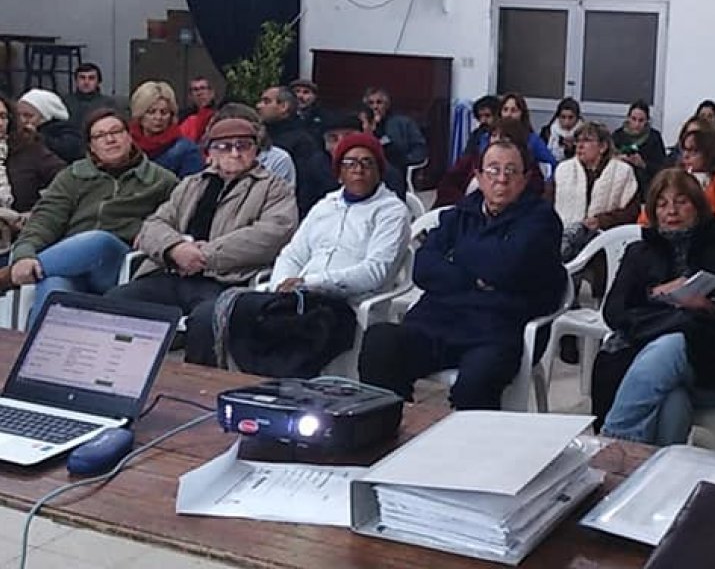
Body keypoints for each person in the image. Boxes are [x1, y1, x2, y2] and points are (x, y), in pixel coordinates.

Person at [359, 136, 564, 410]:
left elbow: (507, 266)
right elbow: (423, 267)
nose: (501, 179)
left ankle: (471, 438)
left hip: (498, 329)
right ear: (478, 176)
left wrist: (457, 260)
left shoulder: (541, 219)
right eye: (493, 170)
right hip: (439, 321)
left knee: (476, 383)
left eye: (511, 171)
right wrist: (474, 279)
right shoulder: (460, 214)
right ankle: (390, 424)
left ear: (525, 179)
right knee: (381, 342)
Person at [593, 168, 715, 445]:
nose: (671, 212)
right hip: (646, 353)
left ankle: (614, 443)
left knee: (672, 343)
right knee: (672, 401)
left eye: (681, 202)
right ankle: (657, 468)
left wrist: (711, 306)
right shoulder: (639, 252)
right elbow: (613, 311)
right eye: (662, 204)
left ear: (698, 206)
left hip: (714, 357)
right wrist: (656, 294)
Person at [211, 133, 410, 375]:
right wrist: (282, 285)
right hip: (298, 297)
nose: (358, 170)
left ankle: (275, 383)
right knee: (233, 311)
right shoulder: (325, 206)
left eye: (367, 163)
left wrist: (310, 283)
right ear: (339, 173)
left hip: (344, 301)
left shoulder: (391, 212)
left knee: (303, 327)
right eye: (349, 163)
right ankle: (240, 379)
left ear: (379, 171)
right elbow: (293, 254)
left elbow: (375, 272)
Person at [105, 116, 298, 365]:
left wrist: (204, 255)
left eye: (243, 146)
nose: (234, 153)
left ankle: (196, 384)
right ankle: (119, 374)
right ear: (210, 153)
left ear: (255, 151)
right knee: (114, 302)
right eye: (224, 147)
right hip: (171, 273)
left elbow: (271, 234)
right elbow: (153, 224)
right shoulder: (191, 184)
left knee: (208, 320)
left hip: (226, 280)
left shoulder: (274, 188)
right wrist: (174, 249)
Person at [0, 110, 177, 320]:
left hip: (120, 264)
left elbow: (177, 221)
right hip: (71, 264)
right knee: (53, 288)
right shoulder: (73, 176)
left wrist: (149, 233)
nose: (110, 140)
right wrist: (25, 254)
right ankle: (37, 341)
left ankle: (8, 276)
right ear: (91, 146)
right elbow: (44, 220)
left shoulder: (160, 180)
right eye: (100, 136)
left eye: (116, 132)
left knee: (99, 241)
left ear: (129, 136)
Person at [553, 122, 639, 260]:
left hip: (606, 243)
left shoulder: (623, 172)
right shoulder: (563, 170)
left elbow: (631, 213)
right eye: (577, 141)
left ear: (603, 146)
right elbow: (548, 205)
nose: (580, 146)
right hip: (564, 240)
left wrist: (602, 221)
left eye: (586, 140)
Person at [297, 112, 407, 215]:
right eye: (333, 139)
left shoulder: (384, 171)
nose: (341, 144)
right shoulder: (314, 166)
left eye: (348, 137)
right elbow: (306, 208)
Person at [646, 123, 715, 231]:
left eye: (694, 151)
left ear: (709, 153)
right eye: (684, 150)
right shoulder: (672, 179)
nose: (686, 156)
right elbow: (645, 218)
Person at [0, 93, 64, 214]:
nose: (0, 123)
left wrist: (41, 214)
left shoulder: (28, 148)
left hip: (22, 222)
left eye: (3, 117)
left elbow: (65, 177)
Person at [128, 81, 203, 178]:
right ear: (139, 115)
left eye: (164, 112)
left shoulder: (187, 150)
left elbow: (192, 185)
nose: (158, 117)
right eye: (151, 112)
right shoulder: (127, 146)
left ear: (171, 115)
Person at [362, 86, 428, 176]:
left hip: (395, 168)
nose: (375, 107)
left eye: (379, 102)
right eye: (371, 103)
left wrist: (405, 161)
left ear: (386, 105)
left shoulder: (403, 123)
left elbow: (420, 149)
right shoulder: (362, 123)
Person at [611, 100, 667, 201]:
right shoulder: (618, 135)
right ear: (628, 118)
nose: (637, 124)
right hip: (620, 182)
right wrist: (618, 159)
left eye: (641, 120)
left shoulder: (654, 137)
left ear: (647, 121)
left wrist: (643, 164)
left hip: (644, 185)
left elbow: (662, 168)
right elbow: (607, 158)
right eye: (633, 119)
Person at [256, 85, 319, 165]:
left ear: (284, 107)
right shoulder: (262, 134)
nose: (258, 106)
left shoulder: (303, 143)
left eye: (266, 102)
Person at [497, 92, 557, 173]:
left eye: (513, 110)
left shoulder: (532, 140)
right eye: (505, 110)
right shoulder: (490, 137)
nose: (508, 114)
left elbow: (551, 164)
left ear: (522, 114)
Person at [18, 89, 83, 164]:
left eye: (29, 116)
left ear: (45, 116)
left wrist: (36, 137)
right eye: (18, 115)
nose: (22, 120)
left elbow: (69, 151)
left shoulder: (67, 132)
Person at [65, 62, 119, 130]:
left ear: (98, 82)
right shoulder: (65, 102)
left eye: (91, 78)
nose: (86, 82)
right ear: (76, 81)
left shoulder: (109, 104)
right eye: (82, 78)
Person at [539, 97, 582, 163]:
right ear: (558, 117)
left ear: (577, 118)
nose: (566, 122)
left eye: (571, 117)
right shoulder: (547, 132)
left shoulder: (584, 135)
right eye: (563, 117)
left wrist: (570, 148)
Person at [178, 76, 219, 143]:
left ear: (211, 93)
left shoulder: (219, 114)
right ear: (190, 96)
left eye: (203, 88)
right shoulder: (183, 117)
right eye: (195, 90)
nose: (199, 93)